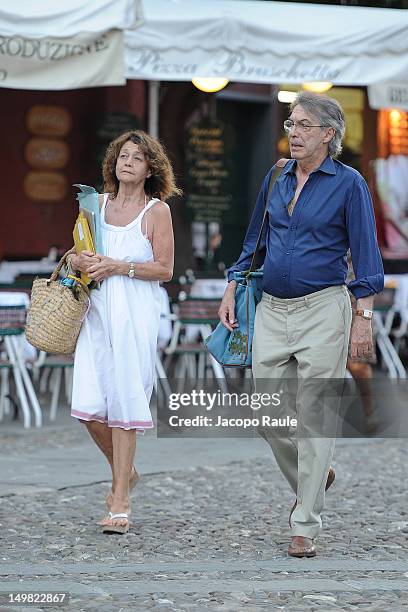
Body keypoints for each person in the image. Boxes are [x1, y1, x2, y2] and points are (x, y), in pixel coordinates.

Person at [218, 92, 384, 557]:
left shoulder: (349, 183)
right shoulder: (276, 176)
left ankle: (305, 523)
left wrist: (362, 318)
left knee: (313, 418)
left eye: (305, 125)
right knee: (267, 414)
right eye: (291, 123)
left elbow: (367, 256)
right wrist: (233, 283)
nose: (294, 132)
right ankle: (315, 475)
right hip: (272, 308)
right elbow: (254, 240)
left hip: (324, 309)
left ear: (329, 134)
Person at [68, 130, 179, 534]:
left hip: (135, 313)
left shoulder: (156, 212)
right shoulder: (94, 204)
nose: (126, 162)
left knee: (125, 402)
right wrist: (84, 259)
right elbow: (76, 253)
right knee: (88, 405)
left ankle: (120, 502)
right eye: (122, 155)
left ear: (151, 167)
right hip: (96, 313)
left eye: (136, 157)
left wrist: (119, 266)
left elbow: (164, 270)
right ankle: (125, 471)